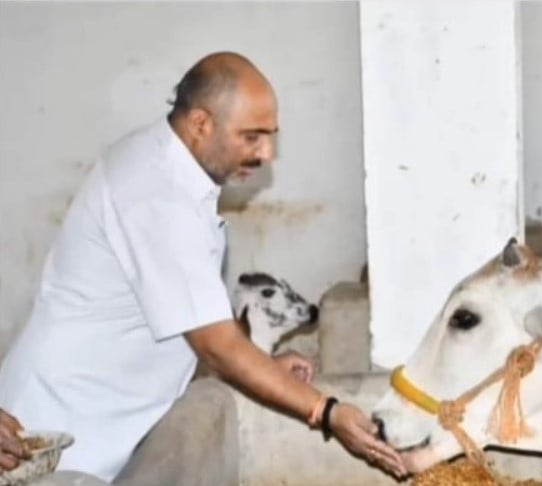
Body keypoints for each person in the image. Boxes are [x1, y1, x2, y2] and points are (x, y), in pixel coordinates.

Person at [0, 52, 405, 481]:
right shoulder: (156, 191)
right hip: (49, 433)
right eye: (251, 136)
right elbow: (216, 344)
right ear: (200, 125)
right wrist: (326, 412)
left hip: (98, 427)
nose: (266, 152)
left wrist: (262, 367)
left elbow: (187, 322)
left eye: (270, 136)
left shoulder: (173, 174)